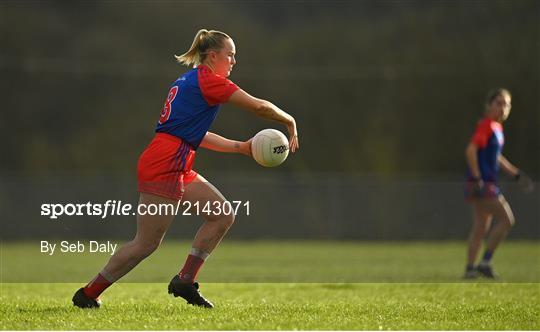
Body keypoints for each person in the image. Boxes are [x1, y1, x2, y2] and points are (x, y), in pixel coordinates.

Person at [72, 29, 299, 308]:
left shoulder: (189, 80)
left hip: (175, 159)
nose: (233, 61)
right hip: (166, 162)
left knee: (222, 215)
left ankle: (185, 281)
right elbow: (260, 108)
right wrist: (289, 121)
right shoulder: (208, 81)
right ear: (213, 56)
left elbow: (194, 135)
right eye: (230, 55)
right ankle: (88, 294)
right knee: (145, 244)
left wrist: (241, 147)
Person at [463, 88, 533, 279]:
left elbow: (498, 158)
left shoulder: (496, 128)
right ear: (489, 105)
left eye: (507, 104)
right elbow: (470, 150)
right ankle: (484, 262)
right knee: (506, 219)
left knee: (480, 228)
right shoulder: (486, 125)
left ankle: (470, 269)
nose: (503, 108)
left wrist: (516, 174)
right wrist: (478, 178)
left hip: (484, 183)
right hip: (484, 184)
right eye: (499, 103)